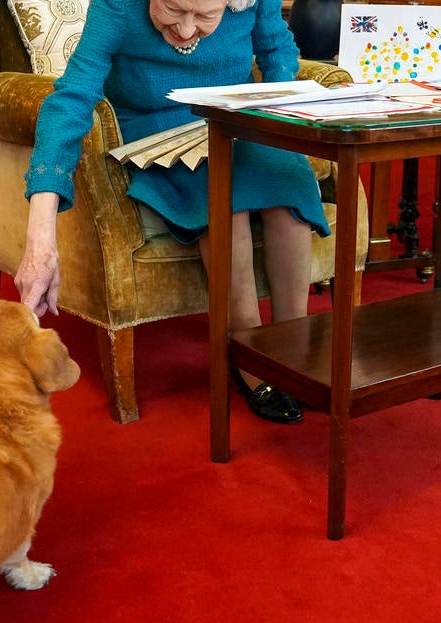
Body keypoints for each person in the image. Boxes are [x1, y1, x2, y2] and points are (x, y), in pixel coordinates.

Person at [18, 0, 327, 424]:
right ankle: (249, 354)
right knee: (224, 199)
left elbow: (277, 53)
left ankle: (293, 347)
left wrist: (278, 117)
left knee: (289, 185)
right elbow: (71, 98)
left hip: (236, 121)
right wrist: (41, 229)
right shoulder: (117, 6)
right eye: (172, 9)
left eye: (204, 17)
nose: (184, 30)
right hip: (156, 129)